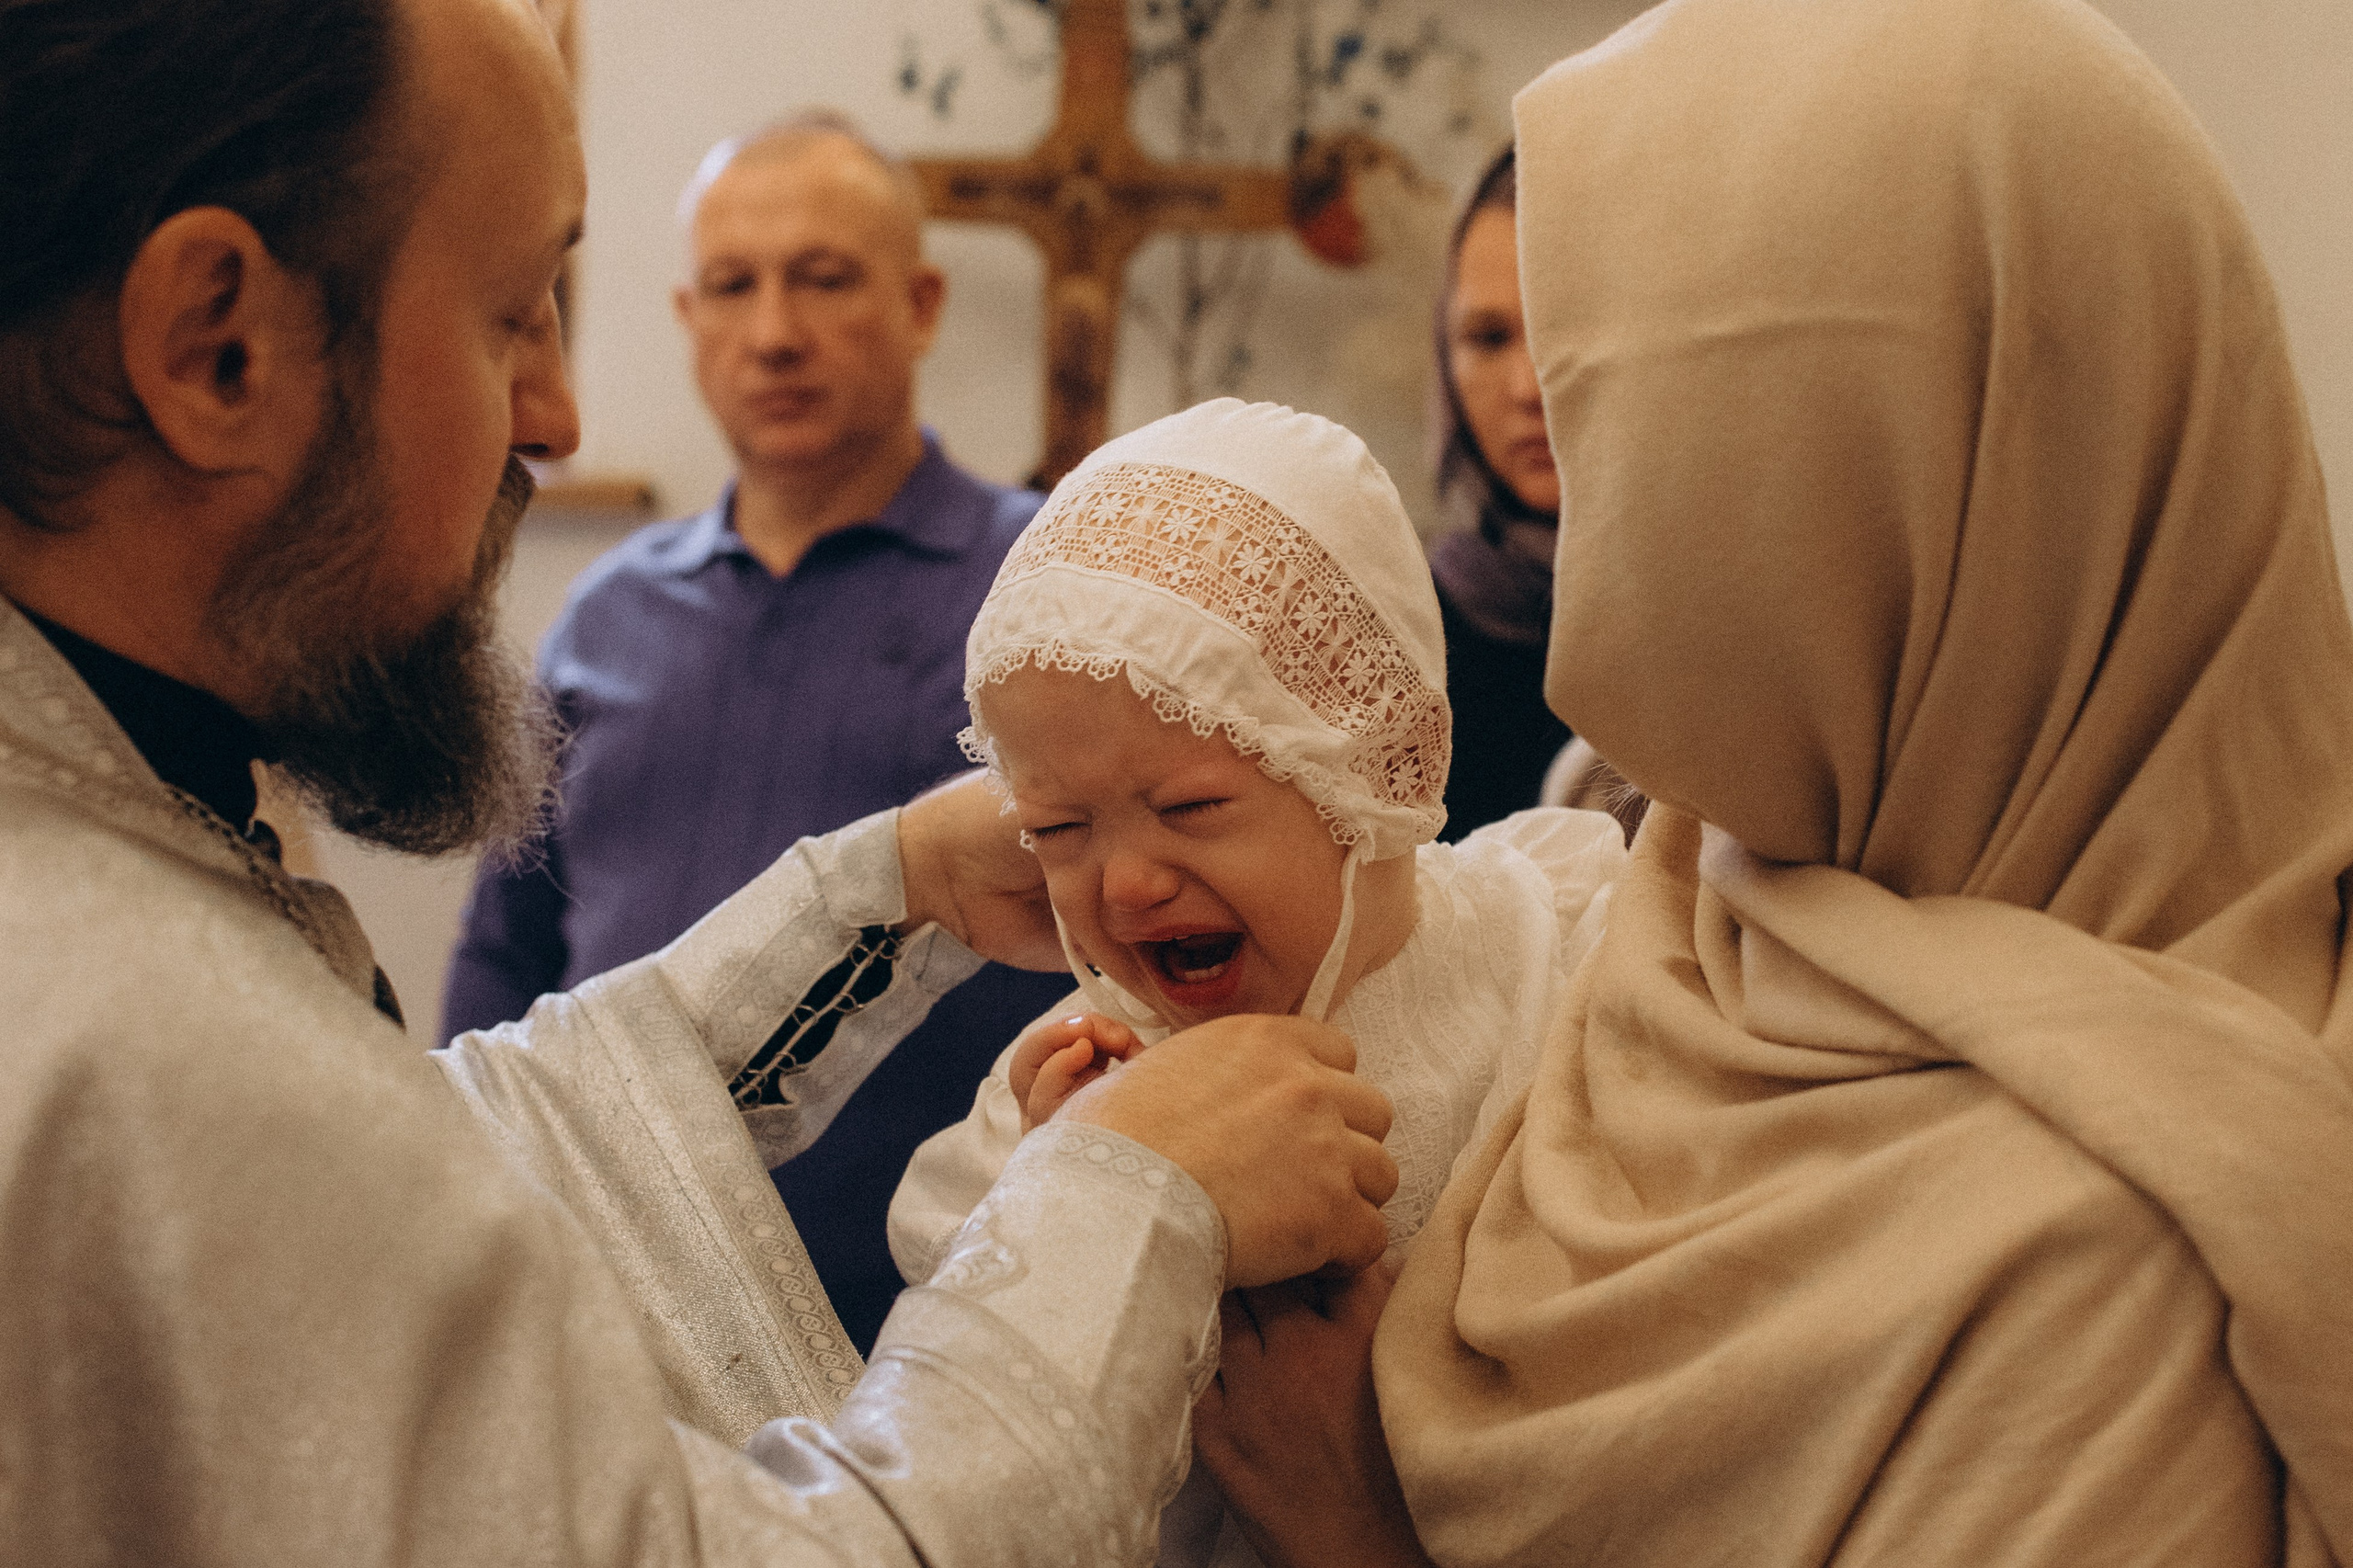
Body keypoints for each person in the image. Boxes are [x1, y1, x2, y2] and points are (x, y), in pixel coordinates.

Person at [0, 0, 1403, 1560]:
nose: (559, 415)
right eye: (514, 312)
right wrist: (1130, 1195)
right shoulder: (124, 1039)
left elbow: (428, 1142)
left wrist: (893, 896)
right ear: (218, 344)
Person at [1202, 0, 2353, 1562]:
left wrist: (1353, 1527)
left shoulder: (2148, 1251)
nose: (1602, 563)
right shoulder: (1691, 904)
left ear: (1921, 466)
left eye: (1664, 440)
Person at [882, 398, 1628, 1568]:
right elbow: (961, 1441)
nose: (1123, 883)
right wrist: (1057, 1193)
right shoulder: (1084, 1063)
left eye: (1190, 808)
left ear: (1365, 769)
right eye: (1057, 825)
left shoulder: (1557, 963)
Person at [441, 112, 1071, 1354]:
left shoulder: (1043, 583)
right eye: (733, 286)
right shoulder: (606, 619)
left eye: (824, 278)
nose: (774, 332)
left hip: (943, 1332)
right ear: (689, 319)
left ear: (922, 301)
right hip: (614, 1327)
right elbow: (504, 954)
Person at [1427, 147, 1570, 840]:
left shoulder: (1745, 625)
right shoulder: (1397, 637)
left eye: (1562, 331)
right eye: (1487, 337)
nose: (1527, 390)